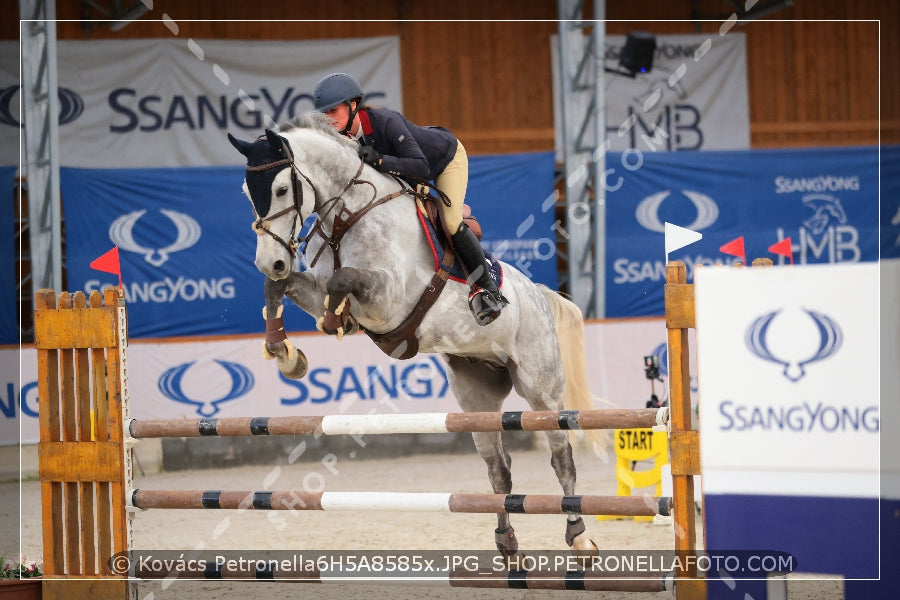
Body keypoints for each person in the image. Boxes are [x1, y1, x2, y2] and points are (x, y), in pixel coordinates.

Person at [312, 72, 508, 326]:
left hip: (443, 160)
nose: (328, 119)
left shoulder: (386, 121)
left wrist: (382, 161)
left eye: (333, 111)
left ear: (352, 105)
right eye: (323, 114)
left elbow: (421, 167)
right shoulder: (341, 138)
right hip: (406, 174)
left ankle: (487, 290)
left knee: (450, 222)